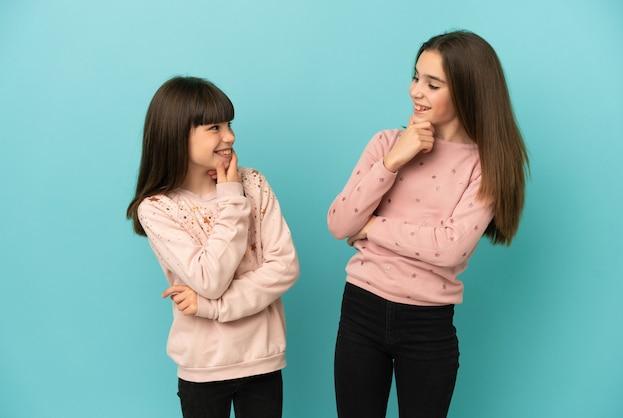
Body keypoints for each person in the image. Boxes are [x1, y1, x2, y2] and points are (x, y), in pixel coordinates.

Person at [327, 30, 529, 418]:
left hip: (427, 327)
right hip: (360, 312)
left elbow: (448, 247)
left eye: (432, 84)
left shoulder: (485, 165)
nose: (415, 91)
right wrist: (393, 161)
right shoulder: (387, 143)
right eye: (416, 77)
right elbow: (339, 222)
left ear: (468, 92)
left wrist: (372, 228)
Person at [126, 76, 299, 418]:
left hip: (262, 361)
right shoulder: (157, 208)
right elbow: (210, 279)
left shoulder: (253, 182)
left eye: (229, 124)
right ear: (177, 134)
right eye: (215, 127)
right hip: (202, 369)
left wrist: (211, 307)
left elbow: (284, 267)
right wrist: (231, 199)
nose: (230, 137)